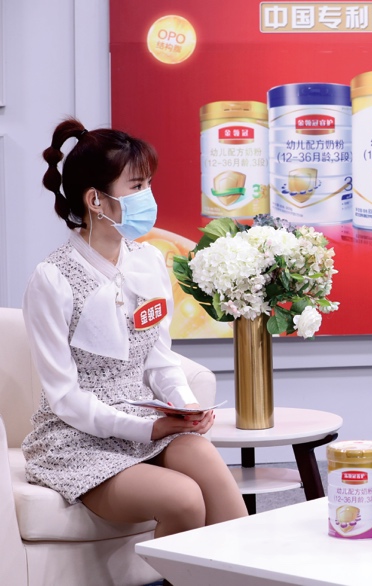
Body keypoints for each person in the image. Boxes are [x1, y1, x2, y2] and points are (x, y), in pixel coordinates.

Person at [21, 118, 247, 545]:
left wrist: (186, 406)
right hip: (78, 439)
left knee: (208, 466)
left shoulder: (148, 261)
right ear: (96, 200)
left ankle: (245, 571)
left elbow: (159, 358)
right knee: (183, 498)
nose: (149, 197)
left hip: (146, 421)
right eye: (137, 186)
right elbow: (65, 398)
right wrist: (149, 430)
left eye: (148, 184)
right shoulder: (52, 279)